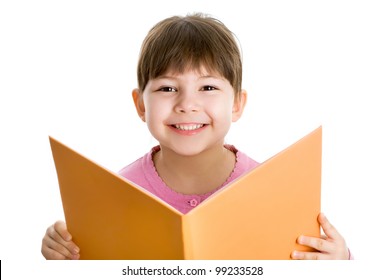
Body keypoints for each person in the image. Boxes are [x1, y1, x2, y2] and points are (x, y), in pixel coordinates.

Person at [41, 13, 351, 260]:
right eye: (167, 88)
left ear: (237, 103)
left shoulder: (274, 190)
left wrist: (341, 263)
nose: (187, 104)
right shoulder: (112, 196)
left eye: (208, 87)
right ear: (140, 104)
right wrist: (64, 257)